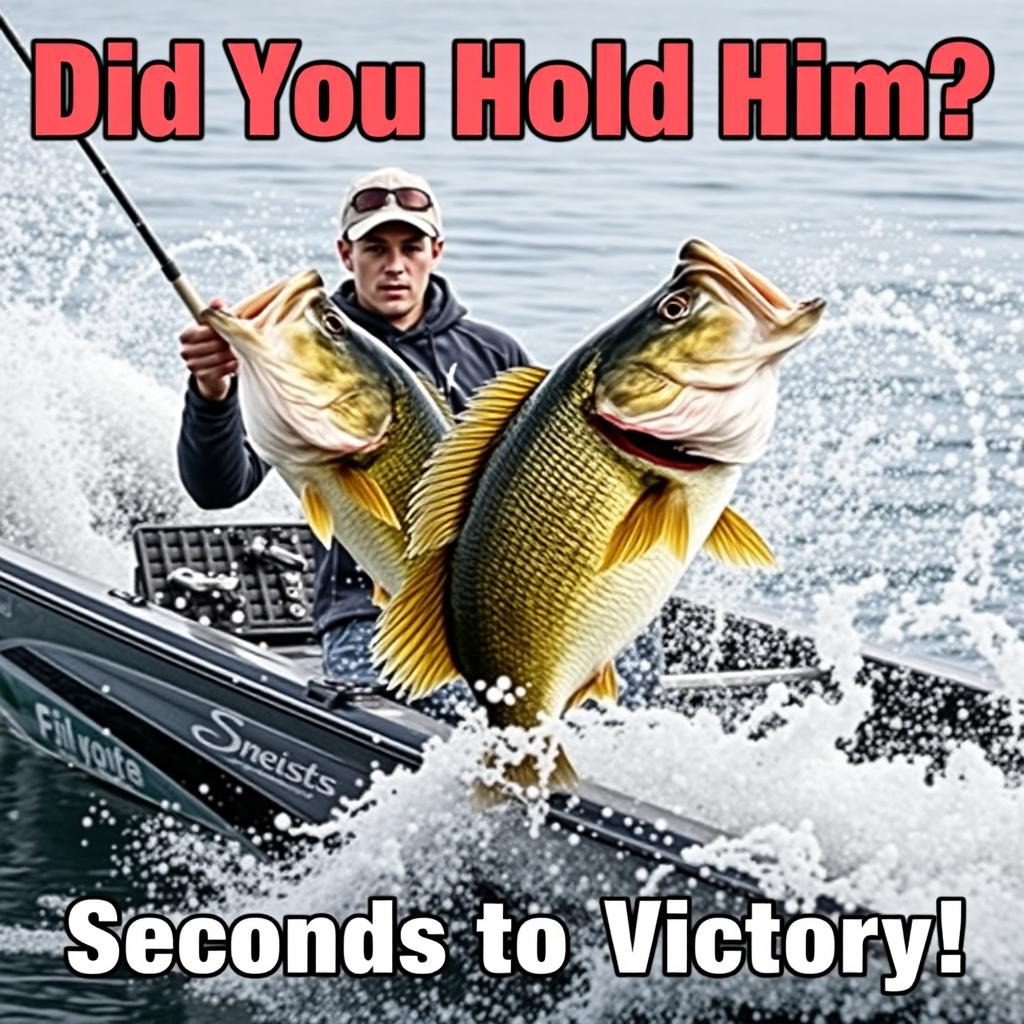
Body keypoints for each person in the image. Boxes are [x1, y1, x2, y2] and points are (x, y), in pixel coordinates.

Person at [176, 167, 530, 715]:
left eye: (411, 246)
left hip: (493, 597)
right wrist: (212, 390)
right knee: (441, 713)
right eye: (374, 248)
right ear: (346, 253)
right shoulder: (305, 350)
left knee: (623, 661)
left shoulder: (496, 355)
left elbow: (528, 496)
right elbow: (219, 488)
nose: (394, 265)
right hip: (363, 610)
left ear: (437, 251)